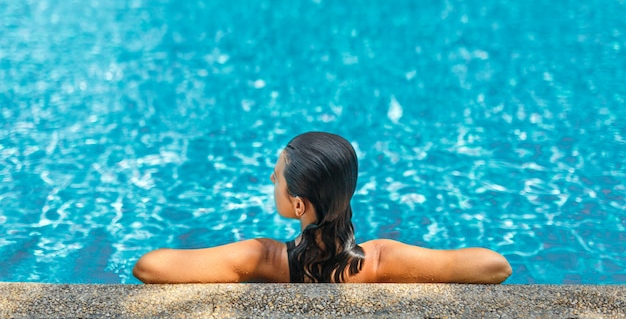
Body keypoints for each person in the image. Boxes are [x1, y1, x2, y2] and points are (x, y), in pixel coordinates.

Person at [133, 131, 512, 284]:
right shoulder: (380, 261)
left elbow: (149, 266)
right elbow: (495, 266)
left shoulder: (262, 258)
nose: (270, 179)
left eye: (277, 176)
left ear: (298, 205)